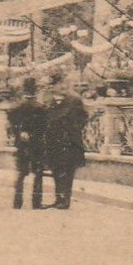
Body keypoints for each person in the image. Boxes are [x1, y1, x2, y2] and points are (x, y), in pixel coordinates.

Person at [42, 75, 89, 210]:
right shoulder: (48, 102)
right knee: (56, 169)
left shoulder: (74, 100)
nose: (62, 86)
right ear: (52, 87)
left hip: (69, 142)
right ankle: (58, 198)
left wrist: (73, 130)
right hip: (53, 142)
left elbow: (83, 117)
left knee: (68, 171)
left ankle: (65, 199)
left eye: (63, 83)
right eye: (58, 84)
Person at [6, 78, 47, 210]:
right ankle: (36, 202)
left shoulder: (16, 108)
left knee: (21, 173)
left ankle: (17, 202)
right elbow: (45, 128)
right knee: (38, 173)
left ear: (24, 90)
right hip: (37, 144)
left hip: (22, 145)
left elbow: (11, 125)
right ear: (36, 90)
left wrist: (20, 133)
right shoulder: (41, 108)